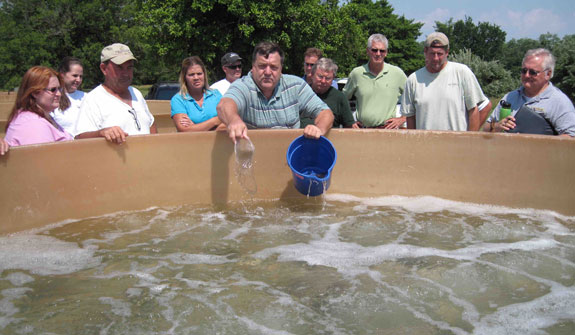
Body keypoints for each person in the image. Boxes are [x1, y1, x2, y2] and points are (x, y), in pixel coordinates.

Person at [217, 41, 334, 143]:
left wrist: (319, 129)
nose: (268, 72)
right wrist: (233, 120)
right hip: (254, 160)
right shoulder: (243, 86)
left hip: (289, 161)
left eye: (273, 67)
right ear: (253, 67)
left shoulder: (296, 86)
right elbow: (224, 105)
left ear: (281, 69)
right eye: (262, 66)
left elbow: (325, 113)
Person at [401, 32, 489, 131]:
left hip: (456, 144)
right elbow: (410, 117)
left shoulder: (462, 72)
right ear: (425, 51)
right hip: (426, 144)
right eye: (432, 53)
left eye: (439, 54)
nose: (436, 58)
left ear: (447, 52)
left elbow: (475, 110)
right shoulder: (413, 80)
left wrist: (470, 139)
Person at [75, 43, 156, 144]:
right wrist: (101, 133)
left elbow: (150, 123)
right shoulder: (93, 99)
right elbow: (80, 137)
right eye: (119, 67)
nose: (126, 73)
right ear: (104, 69)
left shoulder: (136, 93)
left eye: (129, 67)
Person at [483, 48, 575, 137]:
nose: (527, 75)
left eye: (532, 72)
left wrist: (537, 143)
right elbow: (486, 128)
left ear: (548, 74)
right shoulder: (510, 97)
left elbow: (571, 136)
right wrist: (498, 126)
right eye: (524, 71)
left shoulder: (559, 101)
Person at [342, 34, 407, 129]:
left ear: (386, 53)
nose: (378, 54)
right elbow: (341, 100)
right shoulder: (356, 74)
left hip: (389, 132)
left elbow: (414, 98)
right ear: (367, 51)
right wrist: (349, 121)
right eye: (374, 50)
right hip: (363, 132)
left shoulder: (397, 74)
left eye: (382, 51)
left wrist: (403, 118)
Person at [4, 66, 73, 146]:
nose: (59, 94)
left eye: (59, 89)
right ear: (35, 93)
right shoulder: (33, 125)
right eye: (53, 90)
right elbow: (44, 157)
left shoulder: (43, 117)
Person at [170, 56, 224, 132]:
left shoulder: (216, 95)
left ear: (204, 75)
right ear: (184, 77)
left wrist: (195, 127)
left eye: (199, 74)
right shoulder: (178, 100)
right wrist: (215, 121)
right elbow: (184, 130)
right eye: (191, 75)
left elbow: (228, 121)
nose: (196, 77)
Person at [301, 58, 354, 128]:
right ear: (312, 75)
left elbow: (349, 126)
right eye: (320, 77)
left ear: (333, 79)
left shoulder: (340, 98)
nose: (323, 81)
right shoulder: (301, 94)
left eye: (327, 78)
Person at [51, 57, 85, 136]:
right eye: (75, 75)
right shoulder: (53, 98)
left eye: (81, 76)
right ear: (62, 75)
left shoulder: (87, 97)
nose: (78, 80)